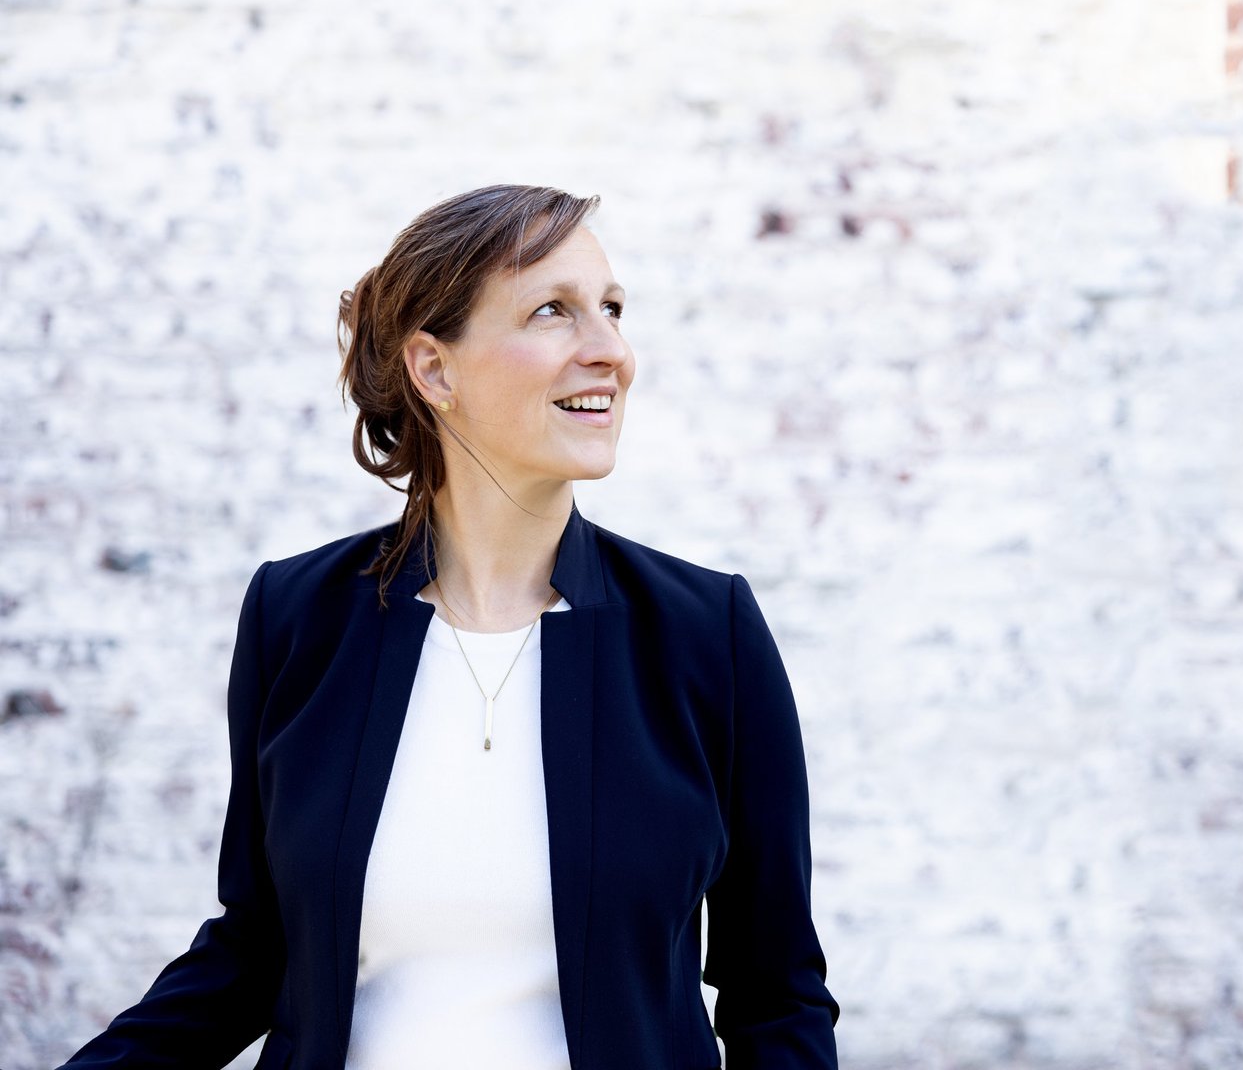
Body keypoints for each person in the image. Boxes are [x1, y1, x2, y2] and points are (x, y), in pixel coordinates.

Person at [57, 184, 840, 1070]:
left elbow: (776, 994)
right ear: (434, 370)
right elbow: (257, 947)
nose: (610, 352)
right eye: (554, 311)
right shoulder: (298, 617)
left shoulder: (705, 634)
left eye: (613, 311)